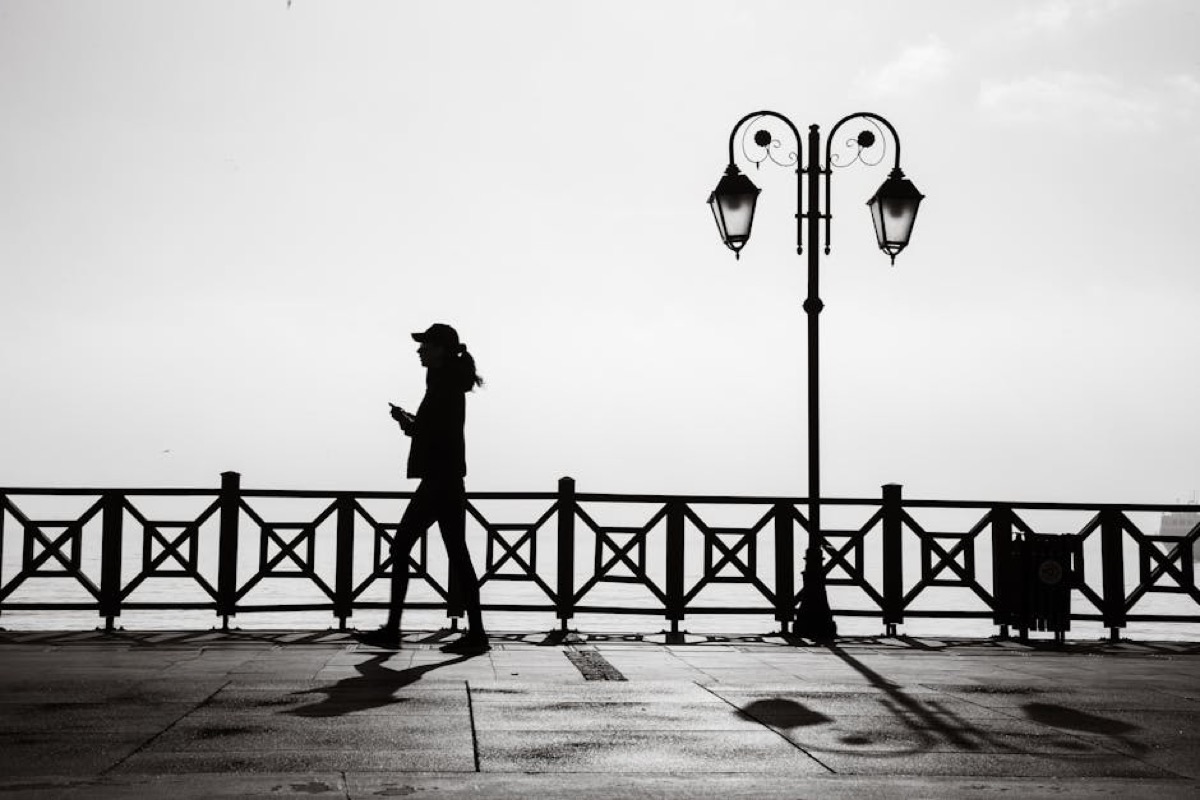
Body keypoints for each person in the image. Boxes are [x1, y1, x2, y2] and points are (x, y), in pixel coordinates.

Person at [356, 323, 488, 651]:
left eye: (425, 345)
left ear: (440, 349)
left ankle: (393, 629)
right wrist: (411, 422)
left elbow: (429, 432)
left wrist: (406, 423)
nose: (419, 351)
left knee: (401, 548)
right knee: (458, 555)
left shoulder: (443, 382)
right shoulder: (448, 381)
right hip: (449, 479)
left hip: (438, 480)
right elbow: (434, 428)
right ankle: (477, 634)